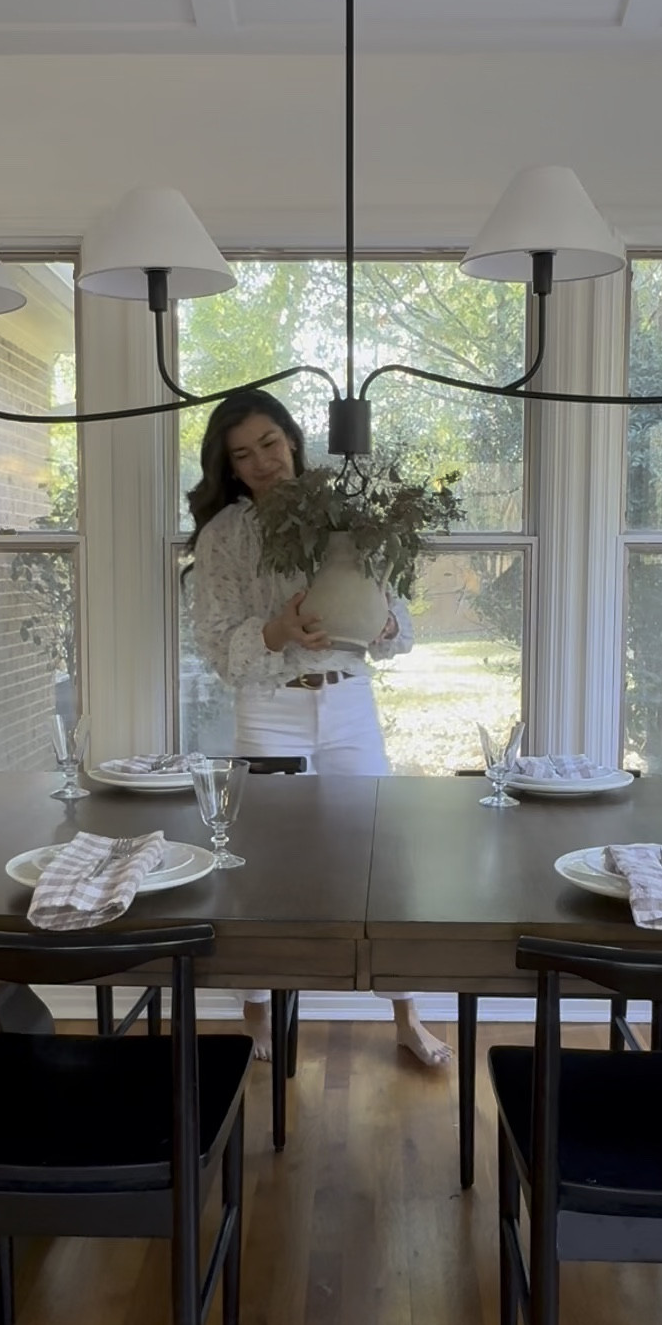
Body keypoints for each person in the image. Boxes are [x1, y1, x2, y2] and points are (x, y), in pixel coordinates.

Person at [187, 390, 451, 1068]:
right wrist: (276, 631)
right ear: (229, 466)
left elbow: (401, 630)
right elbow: (218, 649)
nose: (261, 463)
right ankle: (256, 1016)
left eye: (269, 444)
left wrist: (387, 625)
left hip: (348, 705)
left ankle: (406, 1013)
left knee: (378, 865)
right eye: (242, 455)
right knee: (261, 872)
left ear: (294, 440)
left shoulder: (349, 518)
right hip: (270, 709)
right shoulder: (224, 538)